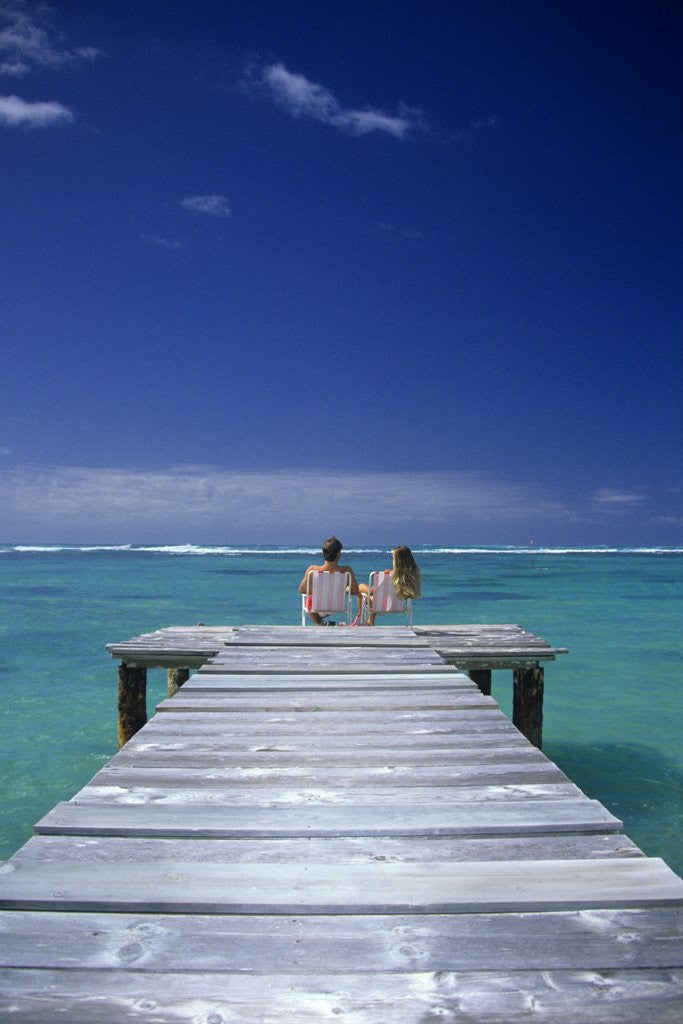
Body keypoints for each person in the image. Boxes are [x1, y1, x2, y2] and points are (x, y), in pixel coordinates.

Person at [299, 536, 360, 625]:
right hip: (338, 606)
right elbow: (355, 591)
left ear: (324, 553)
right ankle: (323, 623)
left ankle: (321, 623)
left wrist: (319, 589)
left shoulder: (312, 570)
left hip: (317, 607)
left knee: (309, 599)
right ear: (338, 554)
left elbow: (302, 590)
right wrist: (342, 589)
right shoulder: (346, 571)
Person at [358, 545, 421, 625]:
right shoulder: (411, 577)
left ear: (397, 561)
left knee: (361, 587)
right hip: (399, 606)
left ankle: (362, 619)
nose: (393, 560)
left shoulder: (388, 576)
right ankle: (370, 621)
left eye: (393, 558)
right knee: (373, 596)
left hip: (381, 605)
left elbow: (374, 591)